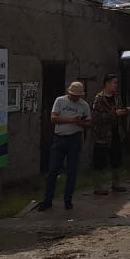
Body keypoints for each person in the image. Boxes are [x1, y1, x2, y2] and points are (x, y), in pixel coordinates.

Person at [38, 81, 91, 211]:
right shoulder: (60, 101)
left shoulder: (84, 105)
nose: (75, 98)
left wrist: (81, 123)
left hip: (75, 138)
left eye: (77, 96)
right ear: (69, 93)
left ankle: (68, 200)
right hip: (60, 138)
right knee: (53, 170)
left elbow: (89, 123)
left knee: (72, 170)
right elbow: (53, 118)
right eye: (73, 95)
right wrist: (71, 120)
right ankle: (48, 200)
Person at [91, 74, 130, 195]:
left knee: (116, 159)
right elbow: (96, 118)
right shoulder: (99, 99)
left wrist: (124, 112)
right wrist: (115, 114)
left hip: (115, 133)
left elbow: (118, 113)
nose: (116, 85)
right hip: (102, 135)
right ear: (107, 83)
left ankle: (116, 183)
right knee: (100, 160)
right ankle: (98, 186)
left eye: (117, 83)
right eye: (114, 82)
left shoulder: (116, 98)